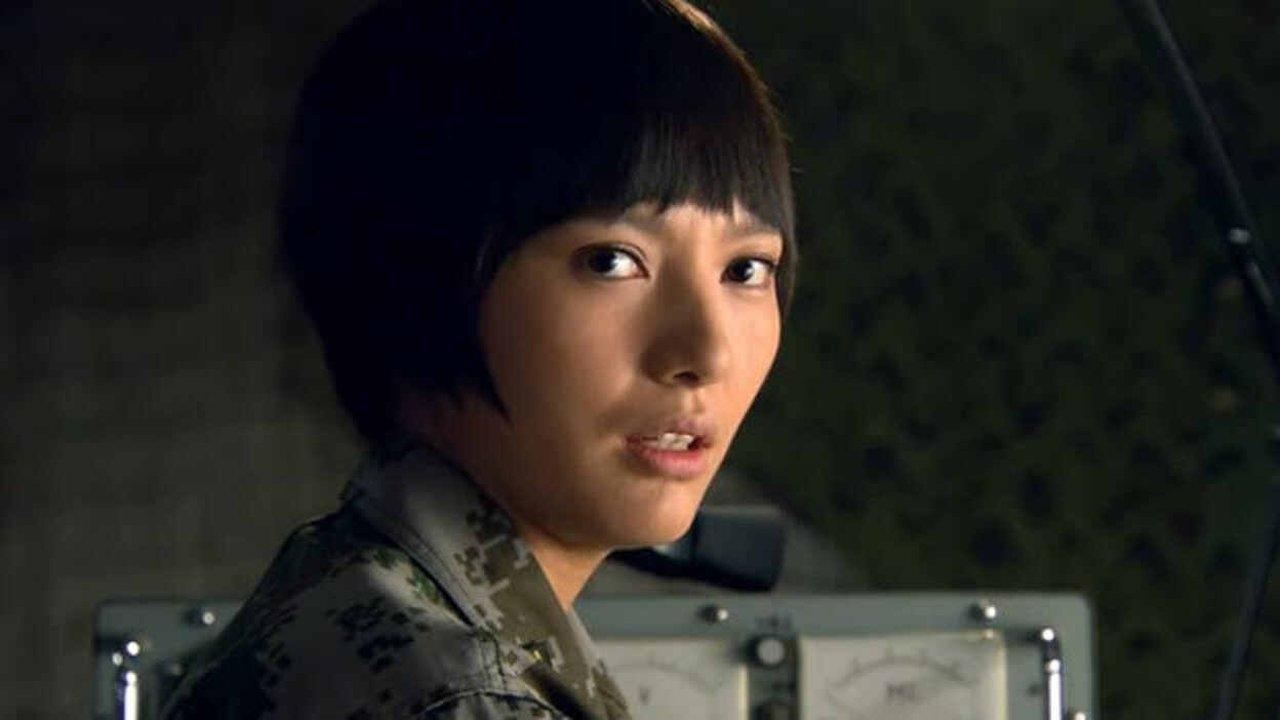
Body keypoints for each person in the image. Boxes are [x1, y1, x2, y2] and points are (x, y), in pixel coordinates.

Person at [162, 0, 797, 717]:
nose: (707, 353)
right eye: (612, 261)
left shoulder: (339, 602)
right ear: (416, 275)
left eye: (746, 270)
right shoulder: (463, 696)